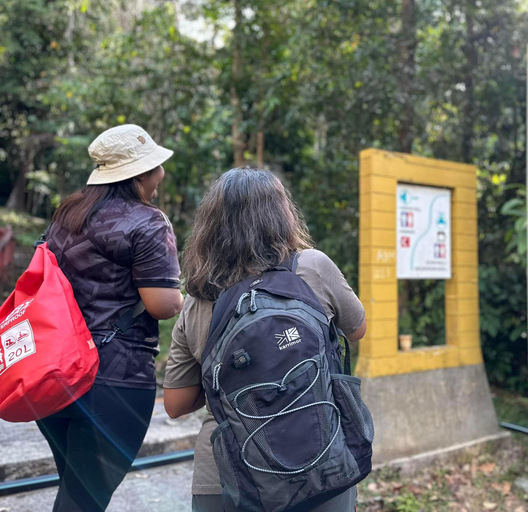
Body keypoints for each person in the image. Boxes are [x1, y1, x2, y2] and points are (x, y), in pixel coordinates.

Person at [163, 168, 367, 512]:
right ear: (282, 214)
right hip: (320, 466)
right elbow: (357, 328)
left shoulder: (198, 301)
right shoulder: (312, 269)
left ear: (211, 227)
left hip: (229, 478)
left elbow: (175, 404)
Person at [38, 124, 184, 511]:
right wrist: (185, 300)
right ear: (141, 174)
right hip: (114, 379)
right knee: (83, 500)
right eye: (156, 165)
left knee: (75, 490)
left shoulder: (68, 212)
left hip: (57, 373)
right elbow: (162, 305)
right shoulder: (149, 222)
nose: (161, 172)